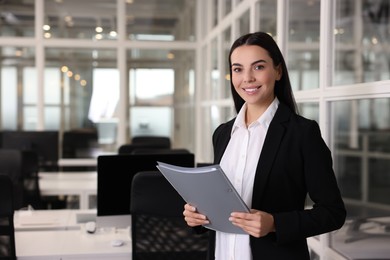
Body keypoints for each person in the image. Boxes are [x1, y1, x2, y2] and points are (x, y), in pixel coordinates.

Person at [183, 32, 346, 260]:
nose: (247, 78)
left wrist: (275, 224)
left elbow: (333, 213)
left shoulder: (302, 133)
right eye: (238, 69)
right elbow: (221, 204)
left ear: (278, 71)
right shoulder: (223, 133)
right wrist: (197, 217)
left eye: (258, 67)